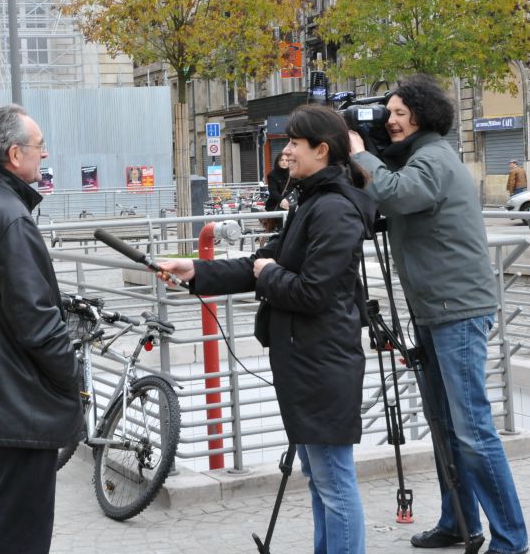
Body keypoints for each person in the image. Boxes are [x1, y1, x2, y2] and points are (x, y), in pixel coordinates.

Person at [159, 105, 376, 554]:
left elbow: (311, 292)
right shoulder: (311, 201)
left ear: (321, 149)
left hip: (323, 362)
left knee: (333, 482)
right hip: (306, 360)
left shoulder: (334, 209)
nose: (287, 152)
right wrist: (195, 270)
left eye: (295, 144)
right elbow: (260, 263)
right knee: (320, 480)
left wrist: (266, 272)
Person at [347, 74, 528, 554]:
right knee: (446, 426)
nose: (389, 120)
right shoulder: (418, 159)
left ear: (422, 116)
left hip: (457, 312)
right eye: (388, 113)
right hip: (434, 309)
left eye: (399, 113)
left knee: (472, 429)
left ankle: (511, 540)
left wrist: (358, 152)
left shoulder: (434, 159)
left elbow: (399, 194)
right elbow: (390, 196)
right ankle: (459, 523)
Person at [0, 105, 82, 554]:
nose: (43, 156)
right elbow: (37, 322)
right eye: (39, 148)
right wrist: (71, 375)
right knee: (19, 530)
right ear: (14, 154)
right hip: (23, 401)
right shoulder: (10, 216)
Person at [263, 153, 296, 233]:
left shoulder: (293, 173)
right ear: (277, 162)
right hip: (276, 204)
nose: (284, 162)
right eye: (282, 160)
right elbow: (273, 192)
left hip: (290, 204)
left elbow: (297, 189)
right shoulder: (272, 175)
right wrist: (282, 200)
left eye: (287, 160)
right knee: (282, 224)